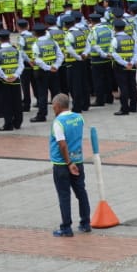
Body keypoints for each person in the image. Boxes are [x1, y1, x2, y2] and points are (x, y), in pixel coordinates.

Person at [48, 93, 91, 236]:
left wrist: (68, 162)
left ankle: (66, 227)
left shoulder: (58, 122)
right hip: (78, 160)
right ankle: (85, 223)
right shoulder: (79, 118)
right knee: (81, 192)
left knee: (64, 195)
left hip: (62, 164)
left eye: (53, 106)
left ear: (58, 106)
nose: (53, 108)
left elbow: (62, 144)